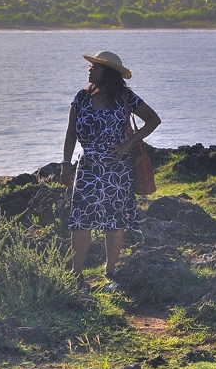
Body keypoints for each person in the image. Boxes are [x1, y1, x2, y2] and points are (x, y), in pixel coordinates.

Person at [60, 51, 161, 286]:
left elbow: (153, 120)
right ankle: (76, 273)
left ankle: (110, 271)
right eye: (92, 66)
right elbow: (71, 133)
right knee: (80, 219)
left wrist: (129, 143)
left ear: (109, 73)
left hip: (118, 167)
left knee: (114, 219)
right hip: (87, 165)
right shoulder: (81, 98)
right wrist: (66, 164)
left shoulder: (125, 97)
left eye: (95, 66)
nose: (90, 69)